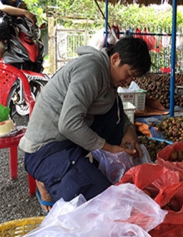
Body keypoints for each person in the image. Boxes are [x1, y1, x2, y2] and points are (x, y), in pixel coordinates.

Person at [19, 37, 152, 213]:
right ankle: (46, 181)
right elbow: (68, 124)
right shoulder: (92, 69)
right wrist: (109, 148)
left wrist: (129, 131)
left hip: (69, 143)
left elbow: (117, 111)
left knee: (112, 110)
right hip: (46, 149)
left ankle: (86, 168)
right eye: (128, 74)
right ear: (115, 59)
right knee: (100, 204)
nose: (128, 81)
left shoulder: (108, 77)